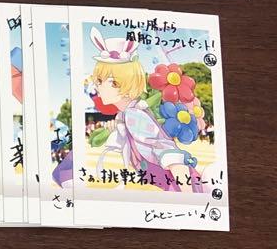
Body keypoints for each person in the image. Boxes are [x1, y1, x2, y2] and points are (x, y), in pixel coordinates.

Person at [86, 29, 205, 193]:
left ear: (119, 84)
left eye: (100, 81)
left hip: (182, 187)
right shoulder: (126, 115)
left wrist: (188, 197)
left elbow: (167, 151)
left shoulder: (133, 115)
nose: (96, 86)